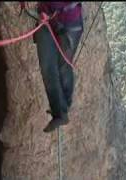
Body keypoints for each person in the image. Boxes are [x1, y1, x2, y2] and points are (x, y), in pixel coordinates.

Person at [33, 2, 84, 133]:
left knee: (63, 67)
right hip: (47, 20)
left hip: (68, 21)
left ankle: (62, 109)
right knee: (47, 68)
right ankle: (60, 111)